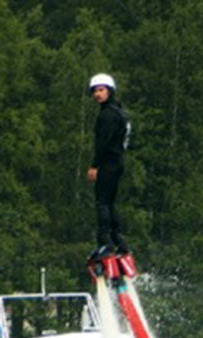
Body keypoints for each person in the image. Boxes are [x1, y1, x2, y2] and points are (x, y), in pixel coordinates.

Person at [86, 72, 135, 281]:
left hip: (108, 163)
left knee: (102, 203)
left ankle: (105, 243)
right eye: (95, 91)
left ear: (110, 91)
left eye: (101, 90)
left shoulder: (107, 115)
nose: (97, 94)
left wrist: (94, 165)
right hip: (118, 162)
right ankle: (119, 242)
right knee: (110, 203)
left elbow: (102, 143)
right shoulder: (120, 112)